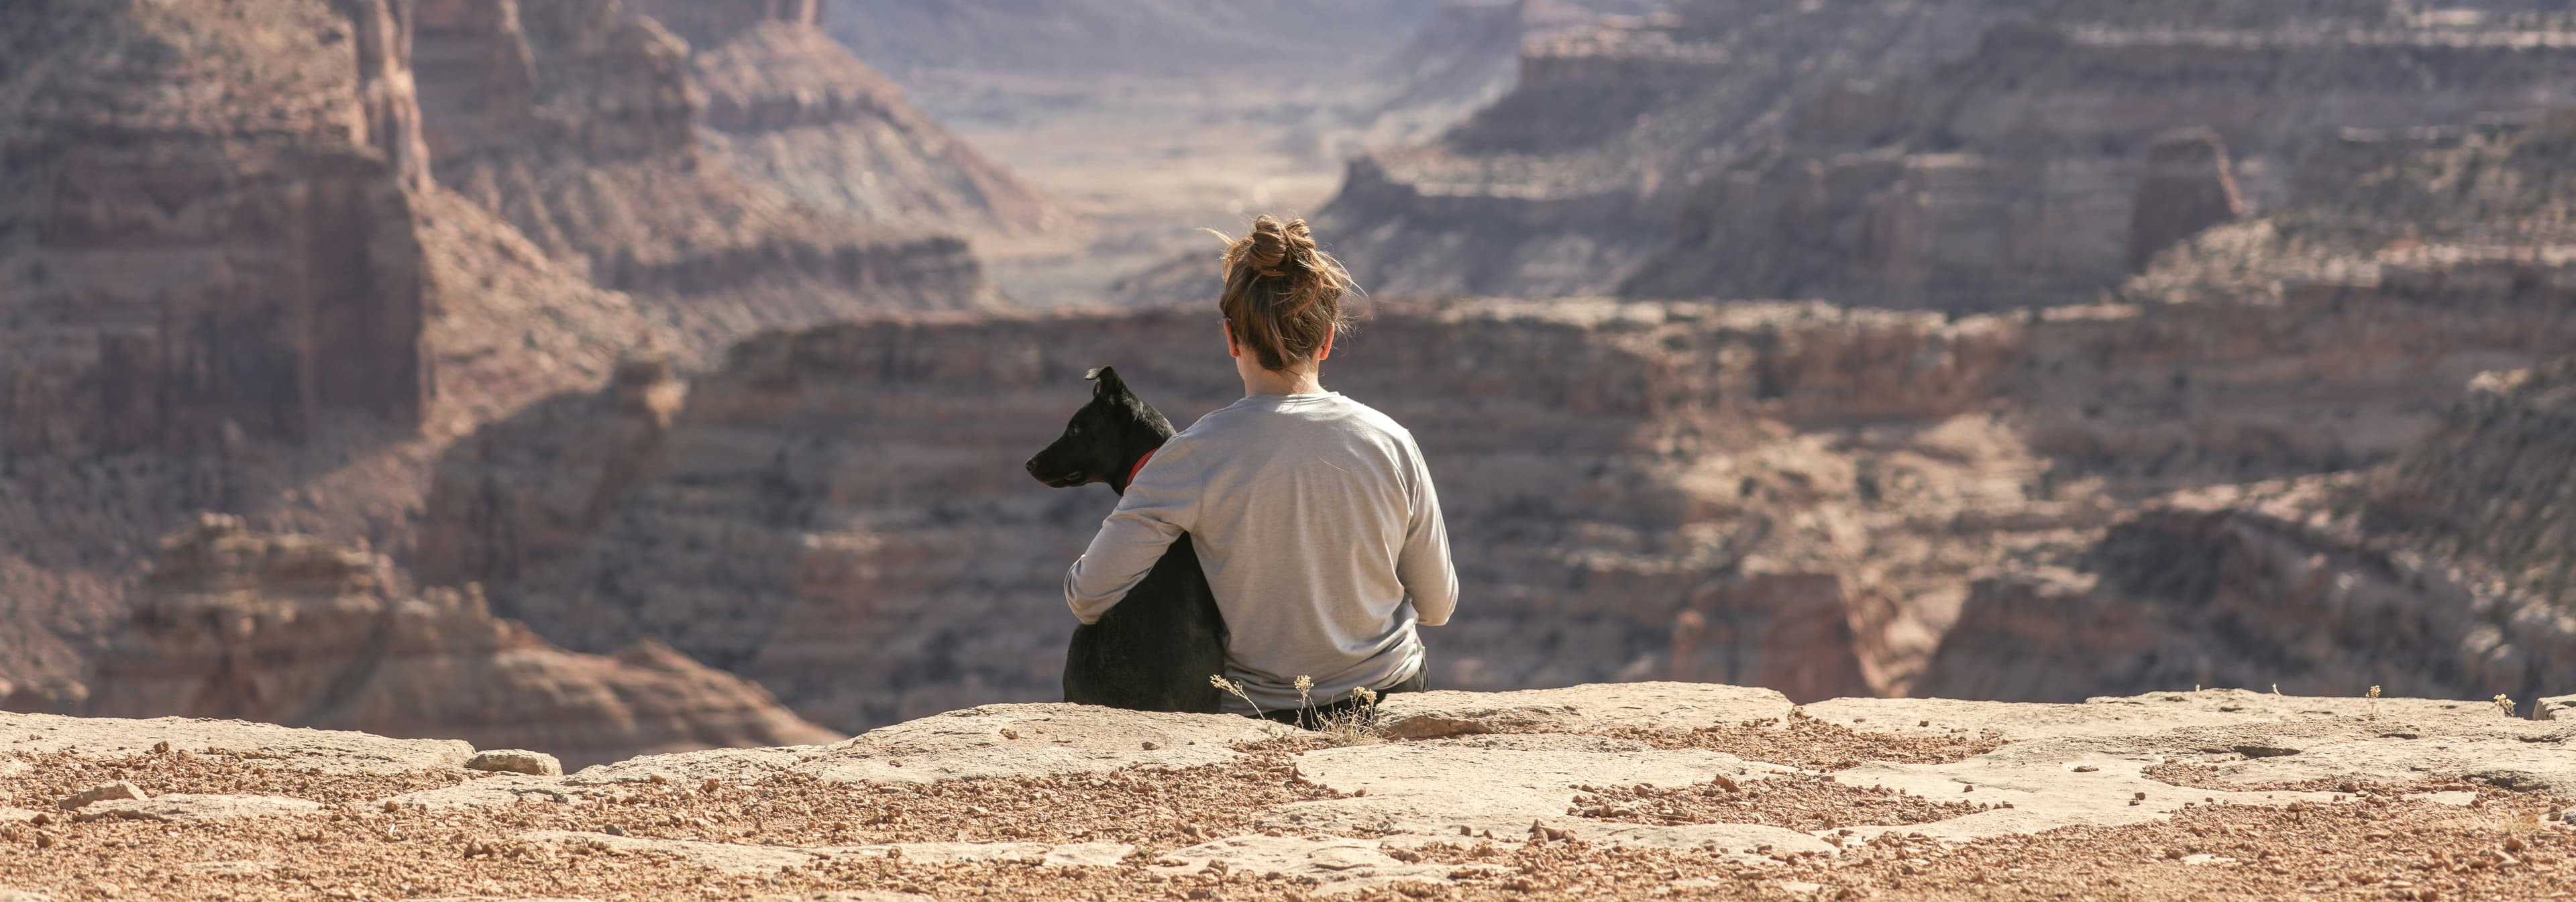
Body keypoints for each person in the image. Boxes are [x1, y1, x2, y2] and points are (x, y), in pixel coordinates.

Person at [1063, 215, 1458, 728]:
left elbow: (1087, 595)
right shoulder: (1391, 441)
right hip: (1388, 697)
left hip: (1264, 716)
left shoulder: (1191, 457)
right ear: (1327, 340)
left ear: (1231, 337)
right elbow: (1438, 606)